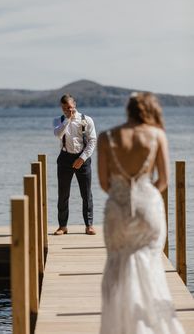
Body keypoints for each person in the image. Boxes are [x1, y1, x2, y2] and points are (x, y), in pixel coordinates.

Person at [98, 92, 185, 334]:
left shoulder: (106, 137)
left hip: (117, 208)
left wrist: (123, 196)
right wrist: (145, 195)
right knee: (150, 264)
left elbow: (104, 183)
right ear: (149, 110)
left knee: (118, 265)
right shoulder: (157, 135)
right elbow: (164, 180)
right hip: (149, 206)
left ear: (128, 110)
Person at [53, 93, 97, 235]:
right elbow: (58, 134)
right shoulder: (58, 120)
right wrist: (68, 119)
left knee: (86, 193)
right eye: (65, 109)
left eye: (70, 107)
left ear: (75, 105)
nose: (68, 110)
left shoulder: (87, 120)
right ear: (62, 108)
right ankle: (62, 226)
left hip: (82, 158)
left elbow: (92, 141)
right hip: (65, 158)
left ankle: (89, 225)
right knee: (63, 194)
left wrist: (82, 158)